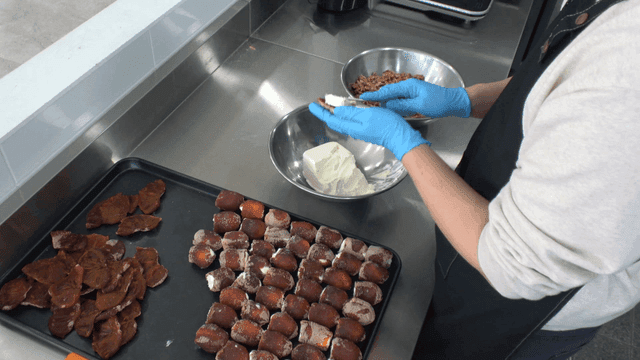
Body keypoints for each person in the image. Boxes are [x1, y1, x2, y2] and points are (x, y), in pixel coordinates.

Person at [308, 0, 640, 358]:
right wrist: (466, 100)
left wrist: (403, 142)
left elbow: (515, 262)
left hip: (523, 308)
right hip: (481, 231)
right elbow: (562, 82)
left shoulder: (629, 72)